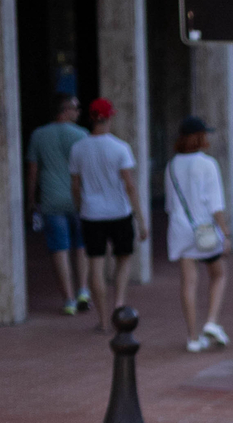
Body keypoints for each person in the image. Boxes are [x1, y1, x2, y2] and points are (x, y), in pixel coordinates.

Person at [68, 98, 145, 334]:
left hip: (92, 213)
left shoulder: (78, 148)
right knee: (123, 259)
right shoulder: (120, 147)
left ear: (91, 118)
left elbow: (75, 185)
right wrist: (140, 219)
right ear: (109, 117)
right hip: (119, 212)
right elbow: (130, 185)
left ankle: (102, 321)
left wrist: (82, 207)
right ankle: (119, 304)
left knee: (96, 266)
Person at [165, 114, 230, 353]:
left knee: (188, 283)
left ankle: (193, 338)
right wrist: (225, 232)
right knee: (219, 274)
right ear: (200, 137)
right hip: (205, 231)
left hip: (180, 229)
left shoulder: (171, 165)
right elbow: (216, 204)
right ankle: (211, 321)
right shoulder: (207, 164)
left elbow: (170, 204)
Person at [25, 94, 88, 316]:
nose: (79, 112)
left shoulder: (38, 135)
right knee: (82, 245)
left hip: (51, 200)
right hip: (78, 199)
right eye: (76, 108)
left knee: (59, 249)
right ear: (65, 110)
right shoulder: (82, 136)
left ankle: (68, 300)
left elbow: (33, 172)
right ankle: (83, 290)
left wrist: (31, 200)